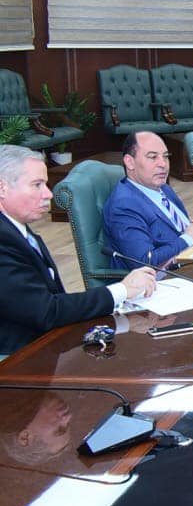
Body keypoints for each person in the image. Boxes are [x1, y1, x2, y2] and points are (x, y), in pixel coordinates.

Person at [0, 145, 156, 355]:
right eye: (37, 185)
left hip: (45, 344)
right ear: (2, 188)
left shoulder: (16, 228)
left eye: (46, 184)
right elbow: (47, 312)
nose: (48, 194)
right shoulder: (3, 239)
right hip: (17, 360)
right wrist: (122, 290)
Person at [102, 131, 193, 270]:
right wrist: (189, 237)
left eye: (166, 157)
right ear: (130, 162)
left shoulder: (164, 189)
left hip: (192, 262)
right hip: (162, 279)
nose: (163, 164)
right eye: (153, 157)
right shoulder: (124, 206)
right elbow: (144, 262)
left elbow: (177, 231)